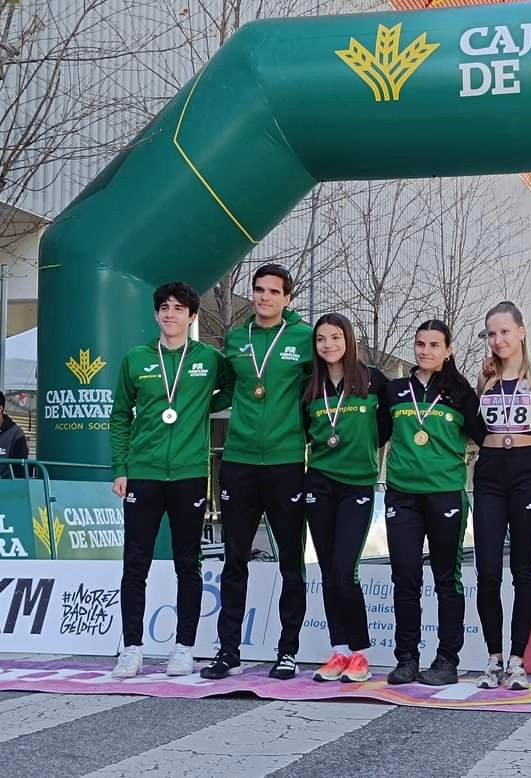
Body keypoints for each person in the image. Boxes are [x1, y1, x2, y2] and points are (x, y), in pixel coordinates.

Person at [109, 281, 226, 679]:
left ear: (192, 316)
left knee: (187, 563)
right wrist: (121, 467)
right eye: (164, 307)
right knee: (135, 563)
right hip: (143, 473)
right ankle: (131, 648)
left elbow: (232, 392)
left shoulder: (210, 359)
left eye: (179, 308)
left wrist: (197, 408)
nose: (171, 313)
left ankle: (184, 648)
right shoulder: (137, 359)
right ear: (156, 314)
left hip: (190, 473)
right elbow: (121, 414)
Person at [203, 263, 314, 681]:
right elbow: (226, 391)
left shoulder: (304, 339)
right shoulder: (235, 340)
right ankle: (228, 650)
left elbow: (321, 388)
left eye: (274, 291)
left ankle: (287, 650)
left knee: (290, 561)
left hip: (286, 462)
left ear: (287, 298)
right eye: (260, 290)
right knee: (234, 559)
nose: (265, 297)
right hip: (239, 462)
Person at [383, 319, 482, 686]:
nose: (426, 351)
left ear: (448, 350)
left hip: (445, 494)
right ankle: (407, 658)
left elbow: (484, 435)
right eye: (421, 344)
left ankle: (446, 660)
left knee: (446, 578)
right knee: (405, 577)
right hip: (402, 495)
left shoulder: (460, 392)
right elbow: (375, 434)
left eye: (434, 345)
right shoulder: (394, 391)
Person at [303, 314, 389, 684]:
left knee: (344, 570)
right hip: (319, 482)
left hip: (357, 485)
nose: (328, 345)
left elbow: (385, 427)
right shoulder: (310, 386)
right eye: (321, 339)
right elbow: (305, 432)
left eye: (335, 337)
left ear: (348, 340)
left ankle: (360, 654)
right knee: (326, 570)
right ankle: (338, 651)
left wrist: (364, 453)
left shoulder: (373, 380)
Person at [472, 302, 531, 691]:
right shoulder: (483, 378)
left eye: (505, 331)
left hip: (525, 470)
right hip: (488, 471)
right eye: (491, 333)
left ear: (521, 331)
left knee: (523, 568)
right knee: (486, 568)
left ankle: (518, 659)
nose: (498, 340)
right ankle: (493, 658)